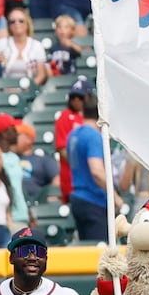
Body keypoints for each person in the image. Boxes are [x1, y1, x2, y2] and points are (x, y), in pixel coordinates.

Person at [66, 93, 110, 241]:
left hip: (77, 198)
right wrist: (114, 197)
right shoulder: (94, 136)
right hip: (94, 200)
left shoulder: (72, 135)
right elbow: (97, 171)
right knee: (99, 250)